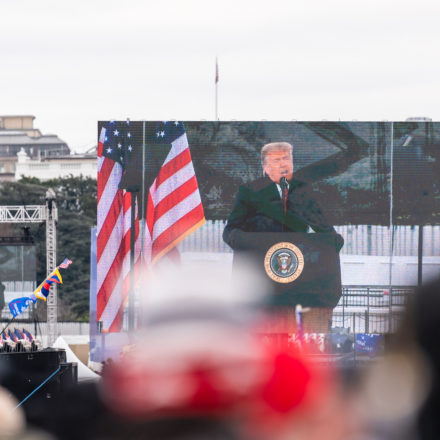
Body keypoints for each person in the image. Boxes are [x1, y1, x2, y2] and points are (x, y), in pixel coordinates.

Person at [223, 142, 344, 333]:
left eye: (286, 158)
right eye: (277, 160)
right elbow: (230, 232)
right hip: (262, 284)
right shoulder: (249, 192)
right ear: (265, 167)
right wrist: (248, 242)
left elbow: (325, 230)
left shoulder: (304, 191)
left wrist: (333, 241)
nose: (283, 164)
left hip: (300, 287)